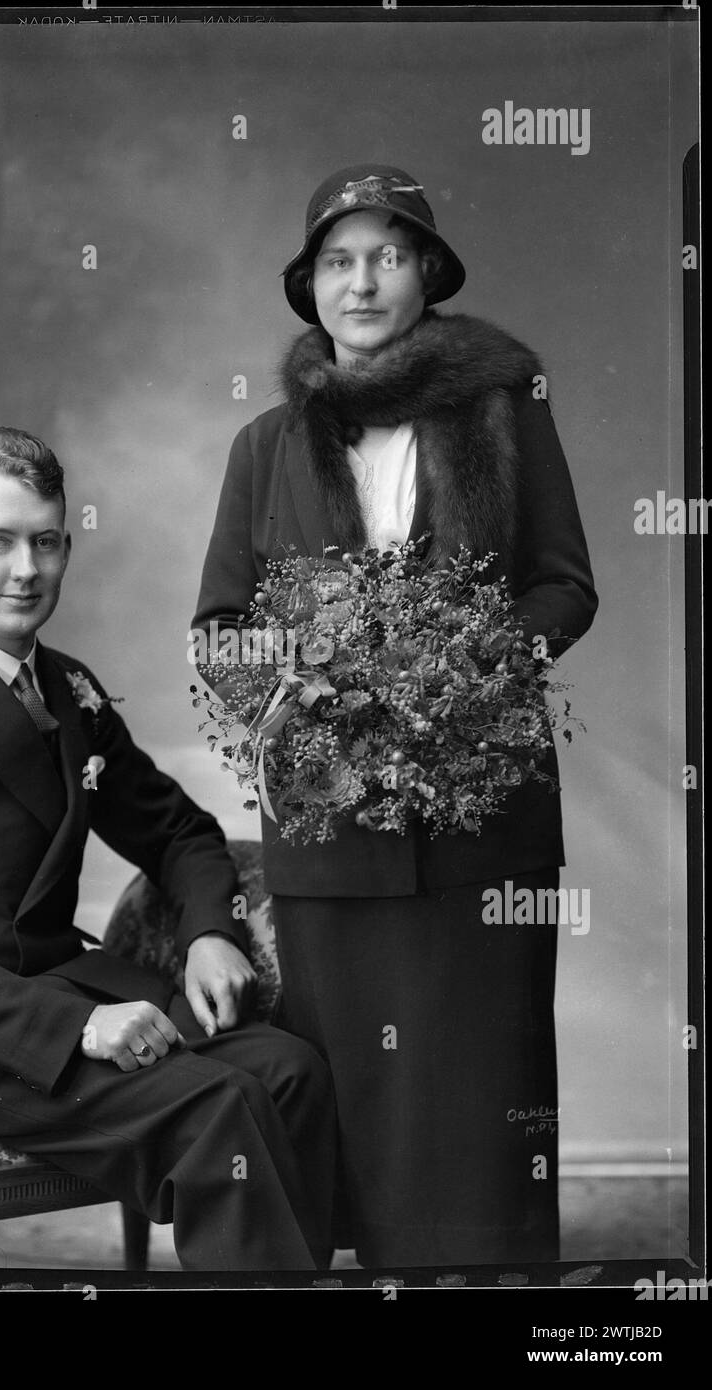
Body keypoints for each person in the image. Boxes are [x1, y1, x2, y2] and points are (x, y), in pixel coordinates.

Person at [192, 165, 598, 1266]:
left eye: (384, 254)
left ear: (424, 272)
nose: (359, 280)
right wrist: (307, 703)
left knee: (476, 1083)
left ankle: (484, 1276)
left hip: (481, 821)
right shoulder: (263, 447)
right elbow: (220, 626)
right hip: (330, 833)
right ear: (308, 285)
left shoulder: (508, 416)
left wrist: (460, 673)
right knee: (354, 1093)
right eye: (336, 259)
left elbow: (563, 585)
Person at [0, 426, 336, 1272]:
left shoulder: (69, 689)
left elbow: (177, 832)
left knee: (288, 1069)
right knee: (219, 1106)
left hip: (61, 989)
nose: (26, 569)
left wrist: (208, 932)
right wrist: (79, 1025)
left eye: (46, 542)